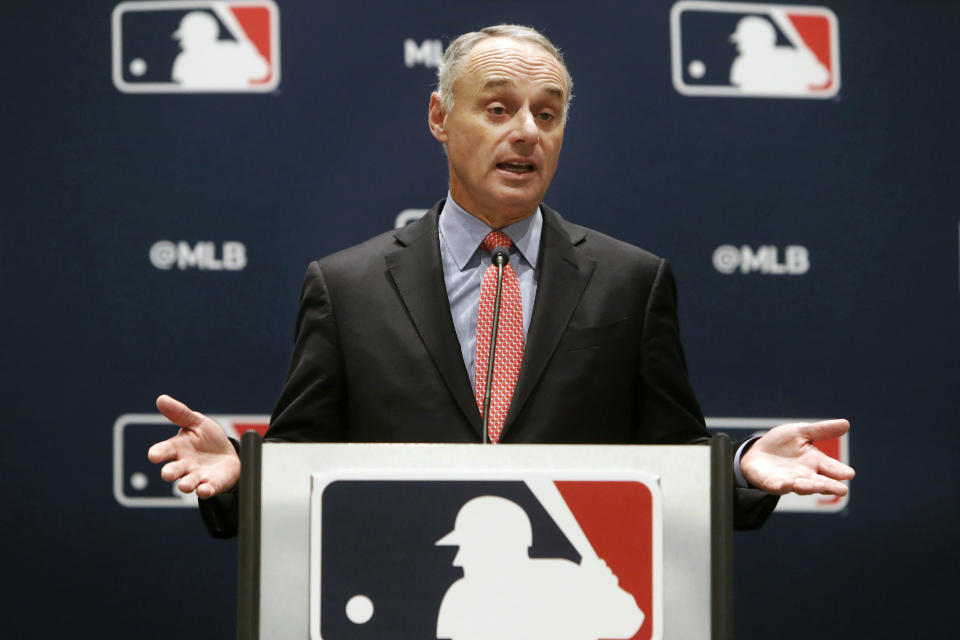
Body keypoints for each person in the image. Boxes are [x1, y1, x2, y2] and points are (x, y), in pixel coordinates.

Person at [148, 25, 854, 537]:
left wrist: (739, 466)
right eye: (497, 108)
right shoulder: (346, 286)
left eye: (547, 115)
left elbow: (669, 462)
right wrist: (244, 475)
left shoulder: (631, 282)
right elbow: (305, 466)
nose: (526, 133)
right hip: (401, 591)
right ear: (439, 119)